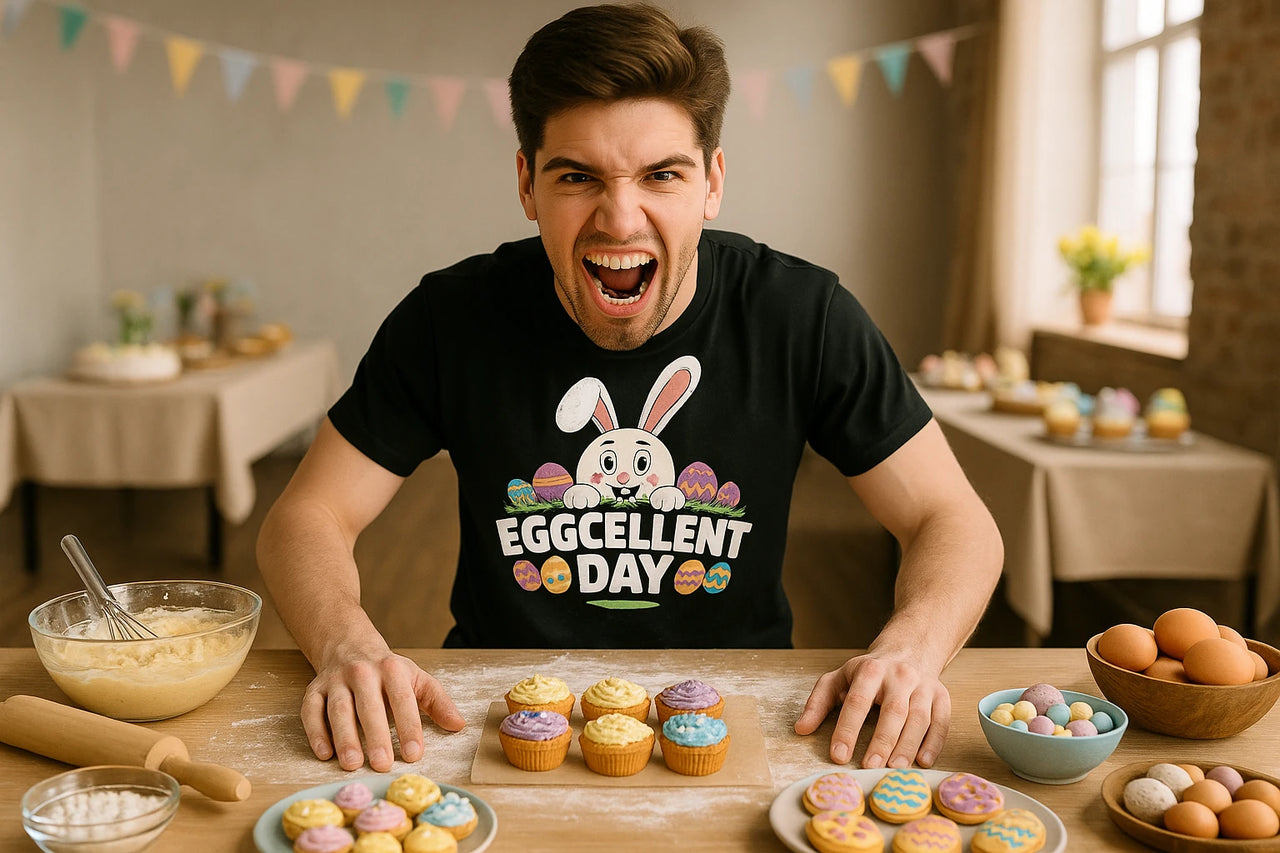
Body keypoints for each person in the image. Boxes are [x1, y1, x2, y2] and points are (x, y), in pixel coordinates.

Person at [256, 2, 1002, 776]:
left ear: (712, 183)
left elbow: (953, 519)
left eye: (661, 175)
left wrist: (912, 648)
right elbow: (307, 516)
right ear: (527, 184)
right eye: (577, 177)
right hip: (496, 723)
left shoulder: (802, 317)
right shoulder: (450, 319)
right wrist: (346, 644)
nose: (619, 219)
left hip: (737, 719)